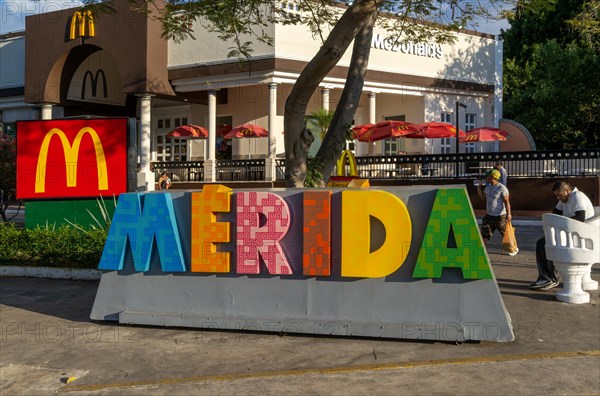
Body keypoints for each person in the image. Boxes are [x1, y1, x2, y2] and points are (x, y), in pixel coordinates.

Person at [530, 181, 595, 290]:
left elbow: (580, 218)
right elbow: (555, 213)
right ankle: (546, 277)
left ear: (567, 191)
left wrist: (560, 223)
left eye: (559, 195)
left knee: (548, 243)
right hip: (573, 233)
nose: (558, 198)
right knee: (543, 242)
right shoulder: (565, 199)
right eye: (556, 195)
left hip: (583, 236)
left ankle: (551, 278)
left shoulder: (578, 197)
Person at [477, 169, 513, 245]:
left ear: (493, 177)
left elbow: (507, 202)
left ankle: (512, 248)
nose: (486, 178)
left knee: (505, 235)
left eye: (488, 176)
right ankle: (483, 252)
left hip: (500, 217)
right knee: (485, 234)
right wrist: (479, 188)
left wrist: (509, 214)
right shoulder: (488, 187)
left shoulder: (502, 188)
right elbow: (482, 197)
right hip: (489, 216)